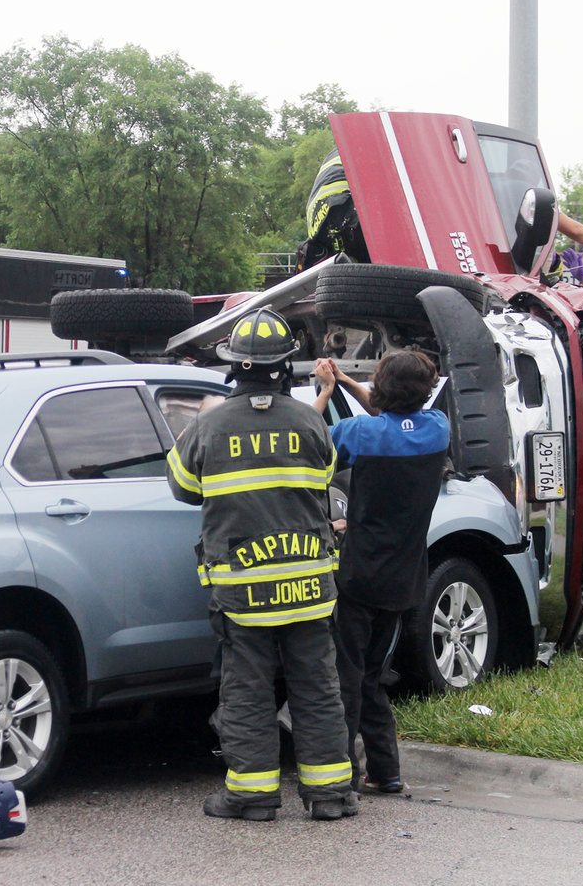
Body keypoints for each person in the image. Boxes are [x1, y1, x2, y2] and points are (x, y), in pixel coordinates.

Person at [166, 308, 354, 822]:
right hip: (310, 586)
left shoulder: (209, 426)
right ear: (284, 366)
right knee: (317, 687)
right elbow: (326, 479)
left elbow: (182, 487)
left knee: (246, 691)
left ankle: (251, 796)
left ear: (236, 367)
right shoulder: (311, 422)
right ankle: (331, 795)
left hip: (244, 590)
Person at [312, 351, 448, 798]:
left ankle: (342, 774)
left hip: (359, 574)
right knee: (371, 674)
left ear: (383, 386)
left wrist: (327, 389)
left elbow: (309, 441)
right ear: (426, 390)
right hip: (405, 578)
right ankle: (385, 772)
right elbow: (392, 416)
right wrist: (351, 383)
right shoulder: (437, 429)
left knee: (346, 675)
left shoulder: (358, 433)